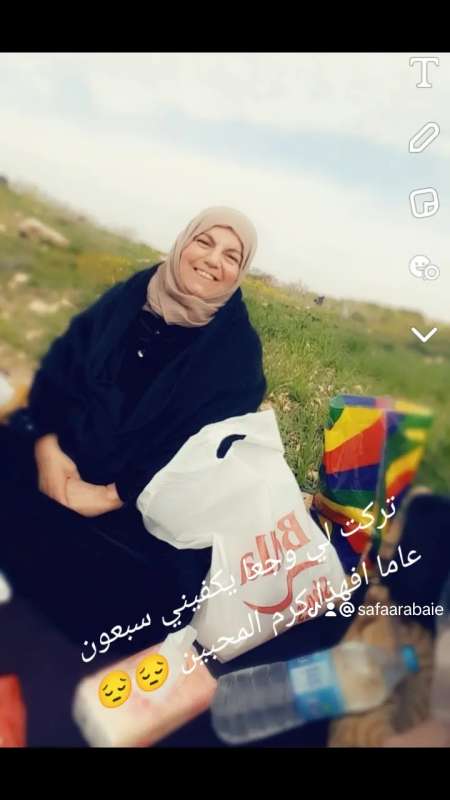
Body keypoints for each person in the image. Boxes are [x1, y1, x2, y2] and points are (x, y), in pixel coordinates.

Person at [0, 207, 267, 653]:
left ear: (239, 273)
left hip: (140, 502)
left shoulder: (237, 356)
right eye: (204, 242)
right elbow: (64, 363)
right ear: (183, 243)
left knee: (148, 598)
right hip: (64, 458)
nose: (212, 259)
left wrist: (108, 494)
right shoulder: (133, 295)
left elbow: (198, 457)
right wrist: (49, 448)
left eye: (231, 255)